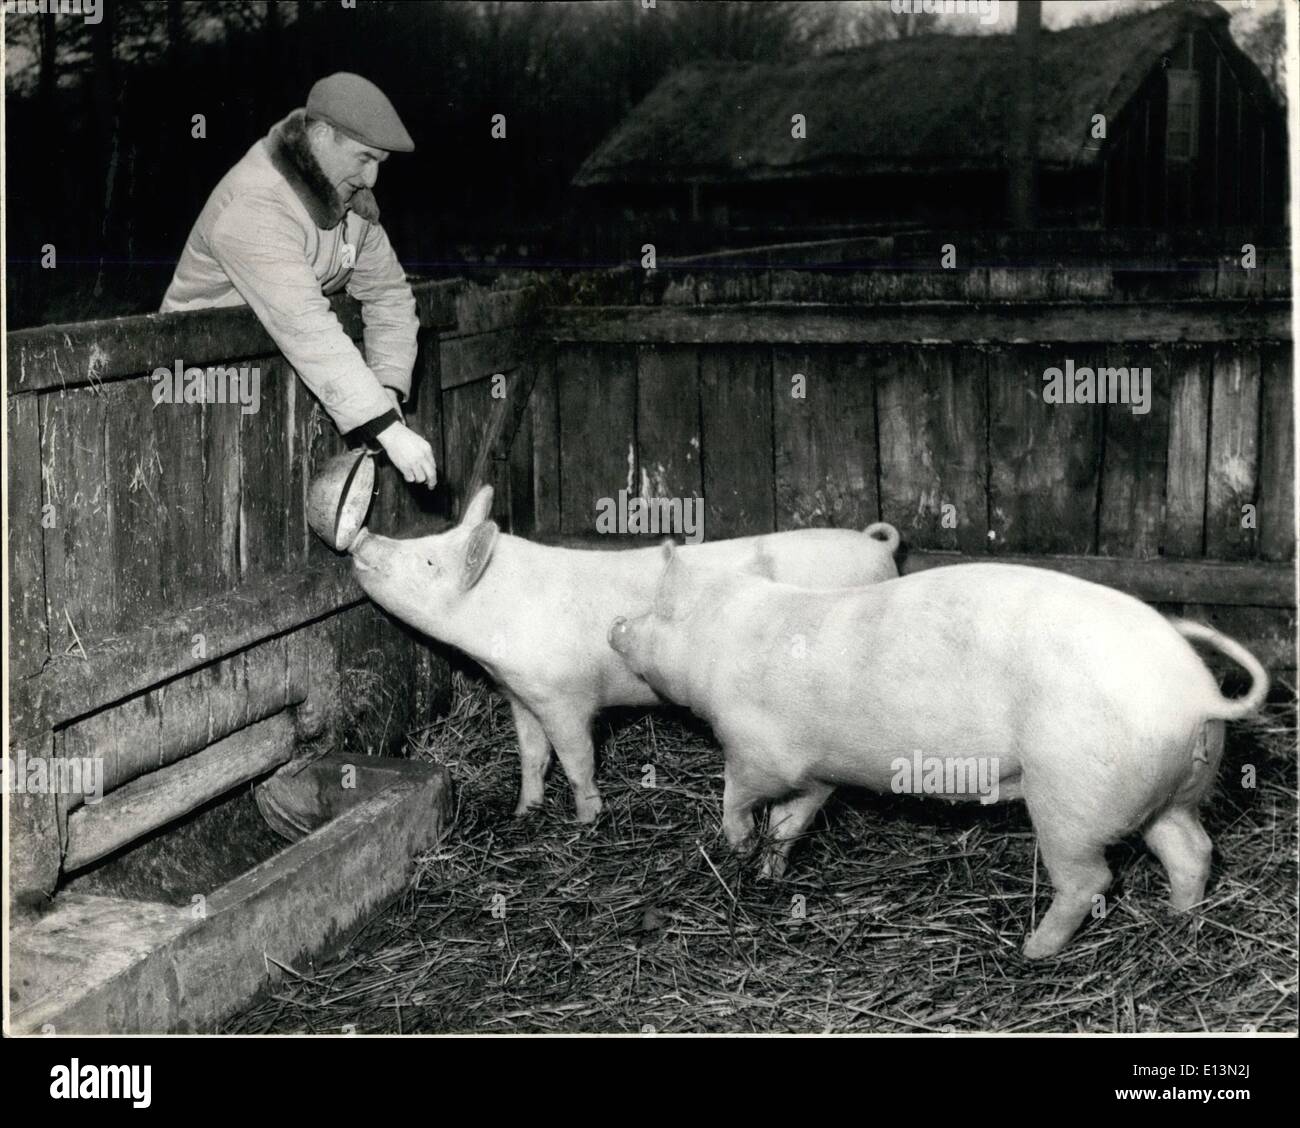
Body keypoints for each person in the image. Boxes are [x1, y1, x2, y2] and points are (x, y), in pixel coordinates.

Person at [161, 72, 437, 487]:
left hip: (270, 381)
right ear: (323, 135)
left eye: (380, 163)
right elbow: (303, 321)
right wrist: (384, 425)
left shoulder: (352, 205)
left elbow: (388, 296)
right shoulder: (258, 202)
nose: (372, 180)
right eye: (364, 158)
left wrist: (388, 389)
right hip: (199, 393)